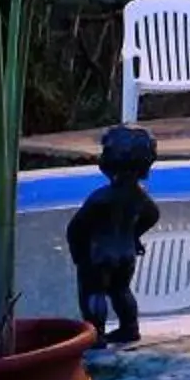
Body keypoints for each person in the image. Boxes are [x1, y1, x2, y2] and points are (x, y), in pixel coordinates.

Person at [66, 125, 162, 347]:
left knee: (93, 292)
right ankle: (130, 328)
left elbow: (76, 227)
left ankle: (96, 335)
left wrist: (78, 251)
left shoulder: (101, 198)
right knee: (121, 290)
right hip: (126, 253)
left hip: (99, 253)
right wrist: (134, 235)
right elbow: (152, 215)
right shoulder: (140, 197)